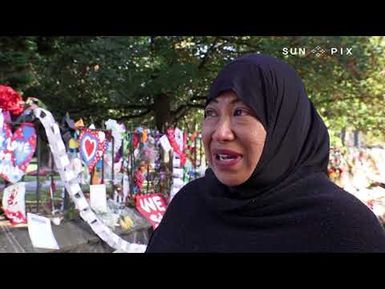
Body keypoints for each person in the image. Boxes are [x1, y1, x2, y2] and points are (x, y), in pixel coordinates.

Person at [145, 54, 385, 252]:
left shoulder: (345, 228)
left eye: (240, 112)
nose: (220, 133)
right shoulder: (190, 205)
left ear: (284, 127)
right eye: (211, 113)